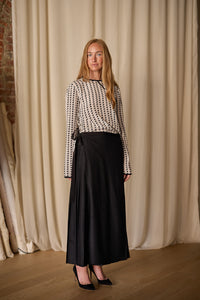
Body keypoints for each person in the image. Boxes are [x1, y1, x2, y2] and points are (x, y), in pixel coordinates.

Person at [64, 38, 132, 290]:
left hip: (112, 152)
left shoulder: (113, 88)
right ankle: (81, 266)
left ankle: (98, 264)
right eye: (90, 54)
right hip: (88, 152)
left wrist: (126, 161)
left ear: (105, 58)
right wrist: (67, 166)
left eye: (99, 54)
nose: (94, 59)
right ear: (85, 58)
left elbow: (122, 128)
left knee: (106, 210)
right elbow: (70, 129)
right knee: (87, 210)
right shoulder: (76, 87)